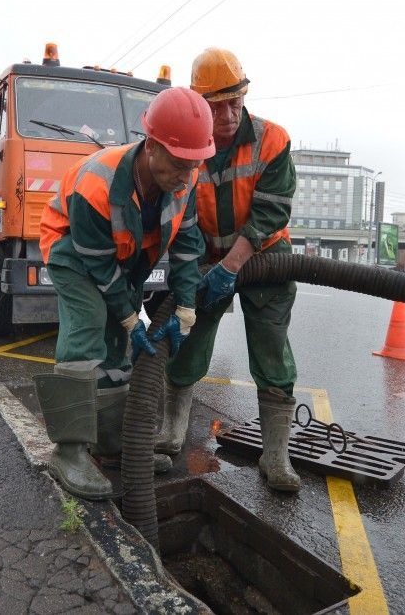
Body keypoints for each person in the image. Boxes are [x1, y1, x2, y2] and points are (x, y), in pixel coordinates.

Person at [35, 87, 213, 500]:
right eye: (178, 163)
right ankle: (68, 451)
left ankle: (113, 446)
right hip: (73, 252)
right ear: (151, 146)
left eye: (194, 164)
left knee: (119, 347)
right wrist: (131, 315)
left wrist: (186, 306)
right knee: (89, 328)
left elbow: (187, 248)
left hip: (130, 259)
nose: (186, 175)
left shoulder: (186, 176)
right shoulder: (97, 183)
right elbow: (97, 264)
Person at [155, 48, 302, 493]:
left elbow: (270, 212)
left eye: (234, 101)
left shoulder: (272, 140)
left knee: (272, 351)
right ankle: (170, 434)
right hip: (206, 261)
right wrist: (204, 270)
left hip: (265, 258)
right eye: (216, 105)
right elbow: (183, 214)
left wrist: (233, 266)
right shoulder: (190, 147)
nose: (226, 114)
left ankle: (276, 455)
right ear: (199, 104)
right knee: (187, 337)